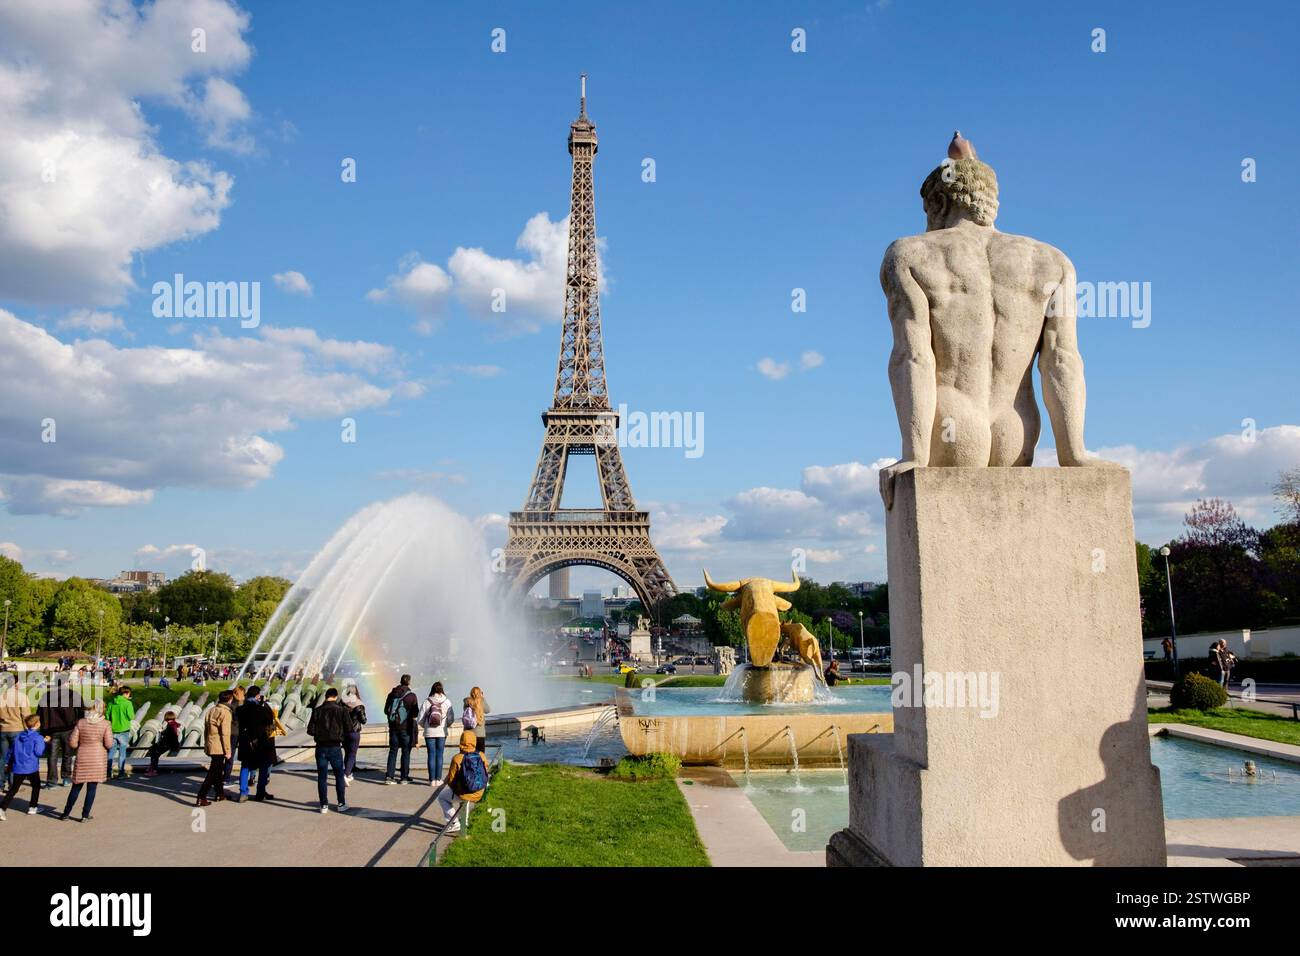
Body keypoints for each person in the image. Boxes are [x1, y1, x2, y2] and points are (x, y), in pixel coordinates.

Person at [61, 699, 113, 821]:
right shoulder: (106, 724)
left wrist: (81, 744)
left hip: (83, 756)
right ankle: (85, 815)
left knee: (76, 787)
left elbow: (73, 743)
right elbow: (109, 744)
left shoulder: (81, 722)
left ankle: (66, 813)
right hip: (98, 758)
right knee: (92, 788)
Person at [432, 729, 489, 836]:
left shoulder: (457, 758)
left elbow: (451, 779)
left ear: (461, 741)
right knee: (465, 793)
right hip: (480, 791)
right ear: (474, 741)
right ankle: (465, 821)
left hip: (466, 793)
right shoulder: (481, 755)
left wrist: (455, 788)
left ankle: (454, 823)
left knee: (442, 797)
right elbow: (486, 771)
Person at [307, 688, 350, 814]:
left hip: (320, 747)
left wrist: (320, 733)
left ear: (326, 696)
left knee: (322, 777)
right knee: (339, 776)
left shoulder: (317, 710)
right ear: (335, 697)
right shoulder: (341, 710)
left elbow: (310, 730)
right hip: (335, 746)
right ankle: (341, 803)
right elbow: (349, 728)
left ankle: (323, 805)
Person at [37, 677, 83, 788]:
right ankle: (66, 777)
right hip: (68, 728)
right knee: (68, 754)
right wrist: (77, 724)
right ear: (66, 683)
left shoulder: (46, 696)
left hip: (51, 729)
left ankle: (52, 781)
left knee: (52, 756)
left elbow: (40, 713)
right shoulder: (73, 694)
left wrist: (43, 730)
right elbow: (81, 711)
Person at [0, 714, 46, 820]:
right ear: (38, 724)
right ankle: (33, 806)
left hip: (19, 766)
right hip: (31, 766)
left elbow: (11, 751)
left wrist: (7, 762)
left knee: (14, 789)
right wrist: (44, 743)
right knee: (36, 785)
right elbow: (39, 752)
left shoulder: (18, 736)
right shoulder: (38, 737)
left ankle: (2, 808)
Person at [235, 686, 275, 801]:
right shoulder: (261, 709)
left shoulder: (240, 710)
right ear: (258, 696)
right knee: (263, 767)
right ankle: (260, 792)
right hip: (260, 741)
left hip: (246, 742)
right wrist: (263, 705)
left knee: (245, 766)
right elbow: (270, 720)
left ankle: (243, 792)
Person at [197, 689, 234, 806]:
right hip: (219, 746)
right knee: (213, 772)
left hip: (211, 743)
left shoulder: (211, 710)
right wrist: (228, 750)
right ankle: (201, 795)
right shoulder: (225, 713)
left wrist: (206, 745)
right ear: (230, 699)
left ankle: (220, 793)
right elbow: (225, 733)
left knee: (218, 771)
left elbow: (206, 730)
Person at [383, 674, 419, 785]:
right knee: (406, 752)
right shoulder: (412, 696)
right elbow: (415, 713)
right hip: (406, 728)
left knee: (393, 751)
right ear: (409, 682)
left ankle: (389, 777)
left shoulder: (391, 694)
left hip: (393, 728)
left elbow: (386, 711)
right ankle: (404, 777)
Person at [0, 674, 33, 793]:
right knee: (16, 758)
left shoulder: (1, 696)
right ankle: (12, 785)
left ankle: (0, 785)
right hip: (17, 729)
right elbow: (26, 715)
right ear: (16, 683)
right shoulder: (21, 696)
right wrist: (28, 730)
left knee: (2, 759)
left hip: (3, 729)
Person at [417, 682, 453, 786]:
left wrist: (427, 726)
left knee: (431, 755)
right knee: (440, 755)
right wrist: (445, 726)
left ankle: (431, 780)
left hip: (429, 733)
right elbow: (451, 718)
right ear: (442, 690)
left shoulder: (426, 702)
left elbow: (420, 719)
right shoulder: (447, 702)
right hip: (442, 732)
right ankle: (438, 779)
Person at [105, 685, 135, 779]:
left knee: (111, 753)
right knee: (122, 753)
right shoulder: (127, 703)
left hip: (112, 730)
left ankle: (108, 773)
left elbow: (107, 716)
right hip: (124, 730)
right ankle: (121, 773)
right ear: (125, 693)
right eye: (129, 694)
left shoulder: (111, 703)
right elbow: (131, 717)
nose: (129, 696)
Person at [341, 683, 365, 785]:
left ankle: (349, 773)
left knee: (347, 753)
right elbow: (363, 720)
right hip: (354, 732)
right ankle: (346, 774)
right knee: (352, 754)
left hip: (344, 732)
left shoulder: (342, 703)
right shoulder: (359, 704)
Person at [144, 711, 182, 776]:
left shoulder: (171, 725)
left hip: (167, 744)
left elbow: (173, 734)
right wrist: (163, 732)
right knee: (153, 750)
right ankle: (152, 767)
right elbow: (170, 732)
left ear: (166, 717)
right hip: (167, 743)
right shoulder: (172, 724)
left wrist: (162, 732)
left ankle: (154, 770)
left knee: (155, 753)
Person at [224, 685, 244, 783]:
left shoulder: (231, 703)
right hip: (236, 732)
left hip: (232, 731)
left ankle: (227, 777)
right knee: (231, 755)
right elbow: (239, 718)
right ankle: (227, 778)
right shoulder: (237, 704)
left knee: (230, 754)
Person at [469, 686, 489, 754]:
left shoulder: (467, 702)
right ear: (480, 693)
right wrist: (483, 698)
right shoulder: (482, 701)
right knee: (481, 755)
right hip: (480, 733)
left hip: (469, 733)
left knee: (470, 754)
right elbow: (488, 710)